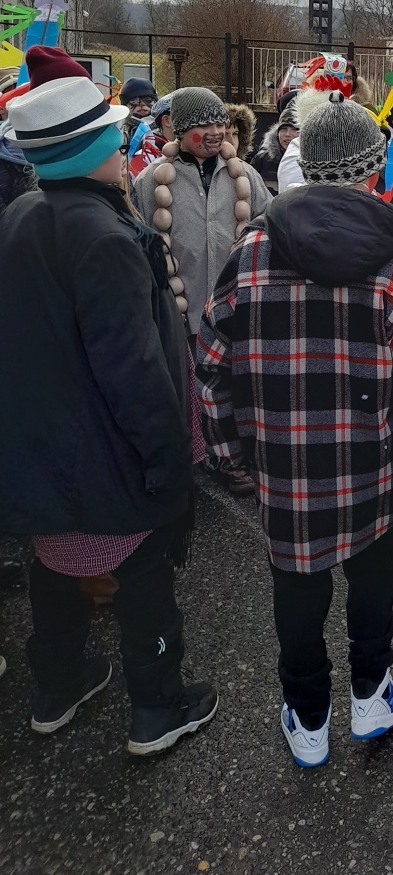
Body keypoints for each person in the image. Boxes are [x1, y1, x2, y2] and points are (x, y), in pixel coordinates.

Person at [197, 95, 393, 767]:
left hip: (285, 469)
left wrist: (231, 456)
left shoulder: (251, 251)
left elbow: (211, 364)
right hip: (375, 469)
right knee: (374, 582)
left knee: (297, 591)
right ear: (372, 170)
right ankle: (371, 692)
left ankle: (307, 714)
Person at [0, 47, 217, 755]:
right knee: (144, 570)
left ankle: (57, 685)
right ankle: (158, 704)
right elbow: (133, 368)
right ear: (94, 151)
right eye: (115, 141)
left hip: (42, 443)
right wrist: (166, 462)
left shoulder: (21, 215)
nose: (126, 151)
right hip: (106, 449)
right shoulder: (106, 238)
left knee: (54, 563)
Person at [134, 88, 270, 497]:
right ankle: (202, 454)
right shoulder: (151, 181)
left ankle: (234, 458)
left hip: (236, 308)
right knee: (195, 387)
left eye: (220, 123)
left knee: (238, 384)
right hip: (185, 309)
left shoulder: (244, 176)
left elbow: (266, 225)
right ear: (181, 129)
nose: (215, 132)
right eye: (204, 125)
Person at [250, 98, 299, 196]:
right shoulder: (262, 159)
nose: (287, 134)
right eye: (283, 129)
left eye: (295, 129)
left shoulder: (311, 162)